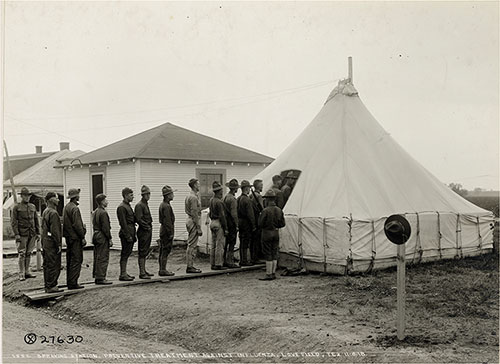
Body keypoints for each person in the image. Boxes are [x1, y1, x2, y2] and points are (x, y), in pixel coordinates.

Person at [11, 187, 40, 281]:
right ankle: (21, 273)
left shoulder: (33, 207)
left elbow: (36, 220)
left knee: (29, 253)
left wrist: (38, 233)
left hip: (32, 233)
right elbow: (14, 222)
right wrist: (16, 234)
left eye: (28, 195)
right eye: (25, 195)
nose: (27, 197)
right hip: (22, 234)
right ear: (21, 196)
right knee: (22, 253)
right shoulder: (16, 207)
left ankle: (27, 271)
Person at [258, 189, 286, 281]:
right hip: (276, 232)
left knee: (268, 253)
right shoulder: (279, 210)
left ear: (267, 199)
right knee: (274, 253)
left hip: (266, 233)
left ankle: (268, 274)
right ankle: (273, 273)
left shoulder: (265, 211)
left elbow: (260, 224)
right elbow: (283, 224)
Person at [63, 188, 87, 290]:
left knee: (70, 260)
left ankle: (70, 282)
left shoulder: (66, 207)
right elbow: (77, 225)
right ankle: (73, 283)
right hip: (75, 238)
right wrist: (82, 236)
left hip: (69, 238)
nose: (79, 196)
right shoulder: (75, 209)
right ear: (75, 197)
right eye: (78, 195)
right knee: (77, 260)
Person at [41, 192, 62, 293]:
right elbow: (55, 230)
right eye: (56, 198)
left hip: (46, 241)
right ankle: (52, 286)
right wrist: (58, 243)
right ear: (51, 200)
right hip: (51, 243)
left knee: (47, 264)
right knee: (53, 264)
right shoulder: (53, 213)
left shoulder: (45, 211)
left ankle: (48, 285)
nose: (58, 200)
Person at [91, 193, 113, 285]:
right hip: (102, 236)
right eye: (105, 200)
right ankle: (101, 277)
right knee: (103, 256)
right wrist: (110, 238)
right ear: (102, 202)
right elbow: (106, 228)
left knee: (97, 256)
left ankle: (97, 276)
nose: (107, 202)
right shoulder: (103, 212)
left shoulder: (96, 211)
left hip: (96, 235)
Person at [116, 187, 136, 281]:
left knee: (127, 253)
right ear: (125, 196)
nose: (133, 197)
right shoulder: (122, 207)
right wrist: (128, 235)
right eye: (131, 195)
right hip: (126, 233)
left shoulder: (127, 206)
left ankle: (124, 273)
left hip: (131, 231)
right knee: (124, 253)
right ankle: (123, 274)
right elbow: (123, 223)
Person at [135, 185, 153, 279]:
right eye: (147, 194)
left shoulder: (145, 204)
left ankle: (144, 270)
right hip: (143, 231)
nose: (148, 195)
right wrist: (147, 227)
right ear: (143, 195)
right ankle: (142, 272)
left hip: (147, 230)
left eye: (149, 194)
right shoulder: (139, 205)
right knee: (142, 251)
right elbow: (139, 219)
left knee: (145, 250)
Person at [209, 181, 228, 270]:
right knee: (219, 245)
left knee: (213, 244)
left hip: (212, 222)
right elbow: (222, 216)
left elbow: (209, 213)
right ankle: (219, 264)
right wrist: (226, 228)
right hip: (218, 222)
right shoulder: (219, 202)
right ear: (219, 191)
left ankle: (212, 263)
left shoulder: (211, 200)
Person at [185, 178, 203, 273]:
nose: (199, 186)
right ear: (195, 185)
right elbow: (194, 213)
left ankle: (190, 265)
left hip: (190, 220)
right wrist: (198, 227)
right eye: (198, 184)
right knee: (192, 244)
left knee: (191, 243)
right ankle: (190, 266)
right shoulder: (193, 198)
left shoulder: (190, 196)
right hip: (193, 221)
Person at [237, 180, 256, 266]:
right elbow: (250, 214)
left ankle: (242, 259)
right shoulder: (247, 200)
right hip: (246, 223)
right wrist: (253, 225)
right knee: (246, 242)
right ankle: (245, 260)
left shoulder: (238, 199)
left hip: (240, 221)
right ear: (246, 188)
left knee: (242, 241)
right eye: (249, 188)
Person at [158, 185, 176, 276]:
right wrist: (170, 233)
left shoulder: (164, 205)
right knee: (165, 250)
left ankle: (162, 269)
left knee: (162, 250)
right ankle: (163, 270)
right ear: (168, 195)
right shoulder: (166, 206)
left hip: (163, 230)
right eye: (172, 193)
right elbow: (168, 222)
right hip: (166, 231)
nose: (173, 195)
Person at [223, 179, 239, 268]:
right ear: (235, 189)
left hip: (226, 222)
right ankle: (230, 261)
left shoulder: (225, 197)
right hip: (231, 223)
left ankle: (224, 260)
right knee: (232, 243)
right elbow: (234, 213)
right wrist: (236, 224)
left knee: (226, 243)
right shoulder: (232, 199)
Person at [249, 179, 264, 264]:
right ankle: (256, 258)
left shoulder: (251, 195)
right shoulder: (258, 196)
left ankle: (252, 257)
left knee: (252, 240)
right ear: (258, 186)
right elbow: (262, 209)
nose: (262, 187)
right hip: (258, 218)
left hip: (252, 219)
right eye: (261, 185)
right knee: (257, 240)